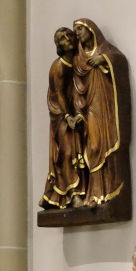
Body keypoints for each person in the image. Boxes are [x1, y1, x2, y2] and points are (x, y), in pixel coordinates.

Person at [70, 18, 130, 207]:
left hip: (106, 107)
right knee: (93, 147)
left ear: (90, 29)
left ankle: (108, 191)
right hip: (90, 109)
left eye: (80, 29)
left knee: (107, 146)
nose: (77, 33)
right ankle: (94, 193)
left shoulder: (105, 51)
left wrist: (104, 59)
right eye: (75, 30)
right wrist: (78, 112)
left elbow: (119, 61)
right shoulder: (79, 59)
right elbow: (76, 89)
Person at [39, 27, 83, 210]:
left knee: (76, 149)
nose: (68, 39)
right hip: (60, 114)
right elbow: (59, 94)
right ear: (59, 45)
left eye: (69, 35)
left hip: (72, 111)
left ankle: (51, 196)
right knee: (65, 151)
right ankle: (72, 194)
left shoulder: (77, 62)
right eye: (62, 39)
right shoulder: (58, 66)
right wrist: (67, 116)